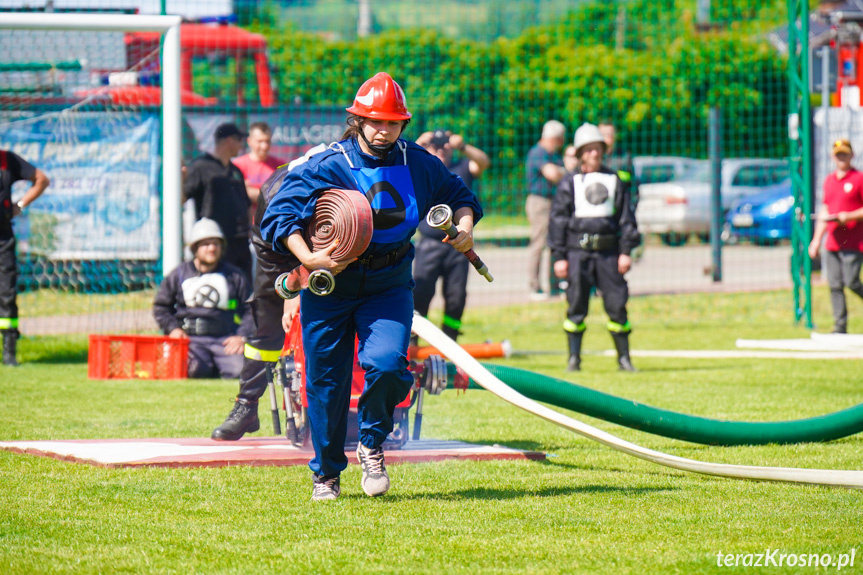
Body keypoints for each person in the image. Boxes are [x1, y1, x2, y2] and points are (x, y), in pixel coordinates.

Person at [261, 72, 482, 501]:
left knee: (387, 365)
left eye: (392, 123)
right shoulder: (328, 163)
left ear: (403, 125)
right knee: (326, 382)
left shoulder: (417, 161)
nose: (383, 130)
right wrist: (307, 258)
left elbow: (462, 196)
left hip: (390, 283)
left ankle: (371, 443)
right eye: (374, 121)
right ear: (357, 121)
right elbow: (279, 213)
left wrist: (466, 227)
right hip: (329, 285)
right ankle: (325, 475)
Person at [209, 160, 302, 441]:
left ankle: (340, 412)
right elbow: (269, 258)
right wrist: (289, 290)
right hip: (276, 259)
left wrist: (303, 286)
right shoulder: (272, 200)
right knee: (266, 327)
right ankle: (246, 407)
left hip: (337, 252)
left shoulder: (336, 194)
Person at [549, 123, 641, 372]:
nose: (594, 154)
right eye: (588, 150)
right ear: (580, 153)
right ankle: (574, 359)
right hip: (577, 253)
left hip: (609, 254)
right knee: (576, 305)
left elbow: (626, 219)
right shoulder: (569, 183)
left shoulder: (614, 180)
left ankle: (624, 359)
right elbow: (558, 221)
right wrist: (559, 256)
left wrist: (625, 251)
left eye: (597, 149)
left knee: (617, 305)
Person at [412, 129, 490, 341]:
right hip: (429, 243)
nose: (440, 150)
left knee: (456, 297)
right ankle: (413, 339)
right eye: (434, 146)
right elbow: (401, 164)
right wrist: (419, 144)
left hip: (458, 245)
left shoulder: (461, 167)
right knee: (420, 293)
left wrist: (463, 147)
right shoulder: (421, 168)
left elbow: (483, 162)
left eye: (444, 146)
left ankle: (450, 340)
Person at [153, 218, 253, 379]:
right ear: (195, 247)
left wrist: (241, 336)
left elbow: (250, 309)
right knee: (193, 370)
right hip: (191, 340)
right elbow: (161, 307)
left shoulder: (234, 276)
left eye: (216, 243)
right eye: (206, 244)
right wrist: (172, 329)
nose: (212, 248)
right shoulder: (178, 275)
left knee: (238, 371)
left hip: (225, 339)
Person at [183, 122, 253, 280]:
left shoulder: (235, 171)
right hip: (215, 241)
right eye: (239, 141)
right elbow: (183, 196)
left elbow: (246, 204)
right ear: (229, 140)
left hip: (241, 240)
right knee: (220, 283)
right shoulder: (201, 166)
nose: (241, 146)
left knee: (244, 287)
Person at [0, 150, 50, 366]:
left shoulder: (7, 160)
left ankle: (9, 352)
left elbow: (41, 180)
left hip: (2, 239)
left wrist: (19, 206)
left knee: (6, 294)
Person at [808, 138, 863, 334]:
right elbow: (825, 211)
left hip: (854, 241)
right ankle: (840, 327)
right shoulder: (829, 181)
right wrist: (816, 240)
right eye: (838, 154)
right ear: (833, 156)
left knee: (852, 281)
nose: (842, 158)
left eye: (845, 154)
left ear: (852, 155)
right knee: (834, 285)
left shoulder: (859, 179)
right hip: (832, 242)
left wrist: (849, 216)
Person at [525, 120, 566, 300]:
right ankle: (535, 287)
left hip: (553, 202)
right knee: (539, 243)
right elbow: (554, 174)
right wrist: (567, 172)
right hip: (540, 202)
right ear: (555, 138)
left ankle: (554, 285)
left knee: (554, 244)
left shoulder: (552, 155)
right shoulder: (539, 153)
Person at [232, 122, 286, 224]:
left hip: (273, 223)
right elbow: (238, 193)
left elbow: (283, 194)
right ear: (249, 141)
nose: (264, 146)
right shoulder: (237, 165)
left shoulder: (280, 166)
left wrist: (251, 191)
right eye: (260, 141)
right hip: (246, 225)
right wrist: (271, 194)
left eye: (267, 141)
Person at [598, 119, 639, 212]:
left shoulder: (624, 157)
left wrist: (630, 209)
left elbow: (632, 186)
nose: (608, 137)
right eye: (604, 134)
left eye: (611, 134)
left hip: (619, 210)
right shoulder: (594, 158)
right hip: (599, 209)